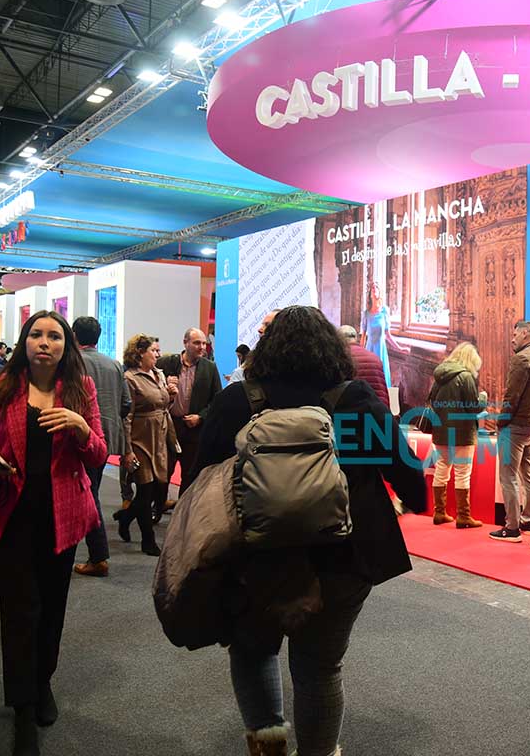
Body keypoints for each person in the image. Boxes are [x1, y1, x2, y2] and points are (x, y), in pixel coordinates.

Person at [194, 305, 426, 756]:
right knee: (319, 669)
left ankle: (268, 746)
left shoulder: (237, 401)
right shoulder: (355, 401)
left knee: (253, 652)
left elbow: (199, 481)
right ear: (332, 349)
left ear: (266, 348)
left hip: (252, 560)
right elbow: (410, 482)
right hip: (342, 561)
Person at [0, 311, 107, 755]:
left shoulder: (81, 388)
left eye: (55, 336)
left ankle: (43, 681)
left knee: (51, 608)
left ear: (66, 345)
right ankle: (23, 707)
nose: (45, 342)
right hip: (12, 518)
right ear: (25, 342)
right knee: (20, 611)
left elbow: (99, 453)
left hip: (62, 517)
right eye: (37, 335)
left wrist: (81, 428)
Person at [70, 316, 132, 578]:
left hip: (80, 437)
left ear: (74, 335)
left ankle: (98, 556)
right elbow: (126, 404)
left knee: (87, 495)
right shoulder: (114, 364)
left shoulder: (72, 363)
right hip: (107, 438)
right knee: (88, 492)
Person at [489, 320, 530, 542]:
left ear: (525, 334)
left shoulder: (522, 358)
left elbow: (512, 396)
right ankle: (529, 522)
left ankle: (512, 528)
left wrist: (501, 422)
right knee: (529, 475)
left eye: (515, 334)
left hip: (515, 427)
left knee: (508, 477)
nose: (512, 339)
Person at [117, 333, 175, 555]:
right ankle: (148, 540)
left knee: (155, 489)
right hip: (140, 440)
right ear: (140, 353)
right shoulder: (129, 378)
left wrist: (172, 396)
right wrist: (127, 450)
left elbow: (163, 406)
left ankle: (125, 517)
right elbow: (127, 416)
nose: (158, 354)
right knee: (145, 489)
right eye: (154, 350)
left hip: (159, 437)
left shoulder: (159, 373)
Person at [156, 327, 221, 510]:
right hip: (169, 426)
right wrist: (166, 389)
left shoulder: (209, 368)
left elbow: (217, 399)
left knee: (189, 473)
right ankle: (158, 507)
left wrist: (200, 417)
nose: (202, 347)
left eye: (204, 343)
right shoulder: (166, 363)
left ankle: (182, 511)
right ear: (185, 343)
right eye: (197, 343)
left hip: (194, 429)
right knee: (164, 470)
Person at [428, 342, 485, 529]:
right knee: (462, 473)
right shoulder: (466, 377)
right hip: (463, 433)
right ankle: (463, 516)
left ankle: (439, 512)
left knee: (441, 469)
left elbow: (432, 401)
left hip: (441, 431)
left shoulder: (439, 376)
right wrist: (483, 398)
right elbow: (474, 407)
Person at [360, 282, 402, 387]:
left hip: (381, 350)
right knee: (370, 378)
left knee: (381, 379)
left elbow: (388, 335)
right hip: (369, 349)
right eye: (372, 288)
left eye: (376, 287)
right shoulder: (366, 313)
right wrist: (361, 354)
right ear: (370, 294)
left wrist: (399, 348)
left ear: (379, 293)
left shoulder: (384, 311)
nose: (374, 289)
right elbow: (363, 336)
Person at [338, 324, 391, 408]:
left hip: (350, 411)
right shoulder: (375, 358)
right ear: (356, 338)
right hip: (378, 410)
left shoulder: (339, 358)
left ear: (338, 340)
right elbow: (383, 392)